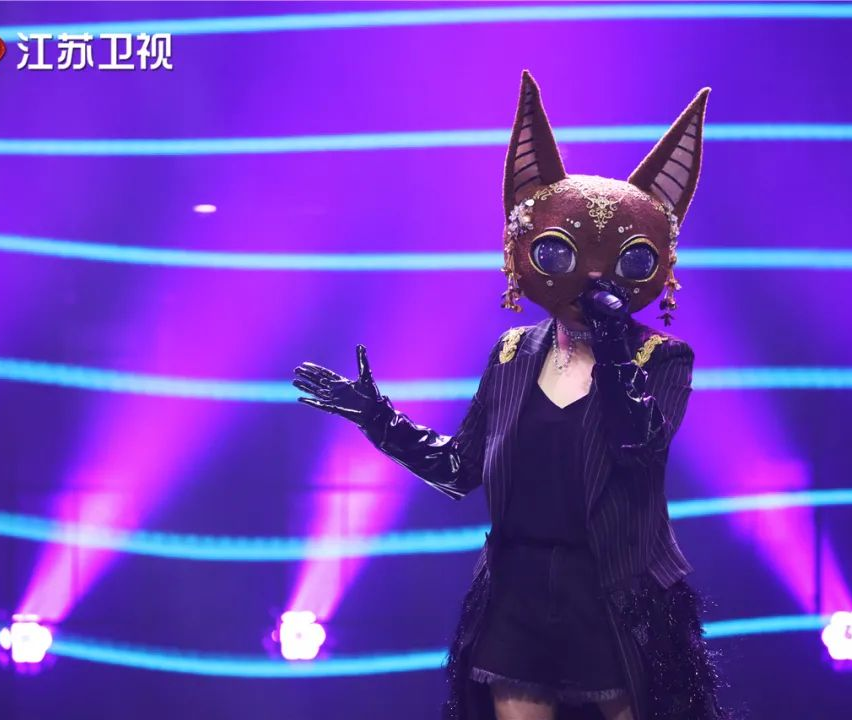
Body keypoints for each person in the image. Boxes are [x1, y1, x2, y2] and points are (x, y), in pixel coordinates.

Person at [293, 71, 731, 720]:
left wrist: (614, 344)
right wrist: (377, 418)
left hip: (615, 594)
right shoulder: (512, 353)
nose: (592, 276)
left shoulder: (661, 358)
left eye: (625, 262)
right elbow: (460, 467)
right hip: (519, 592)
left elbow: (637, 446)